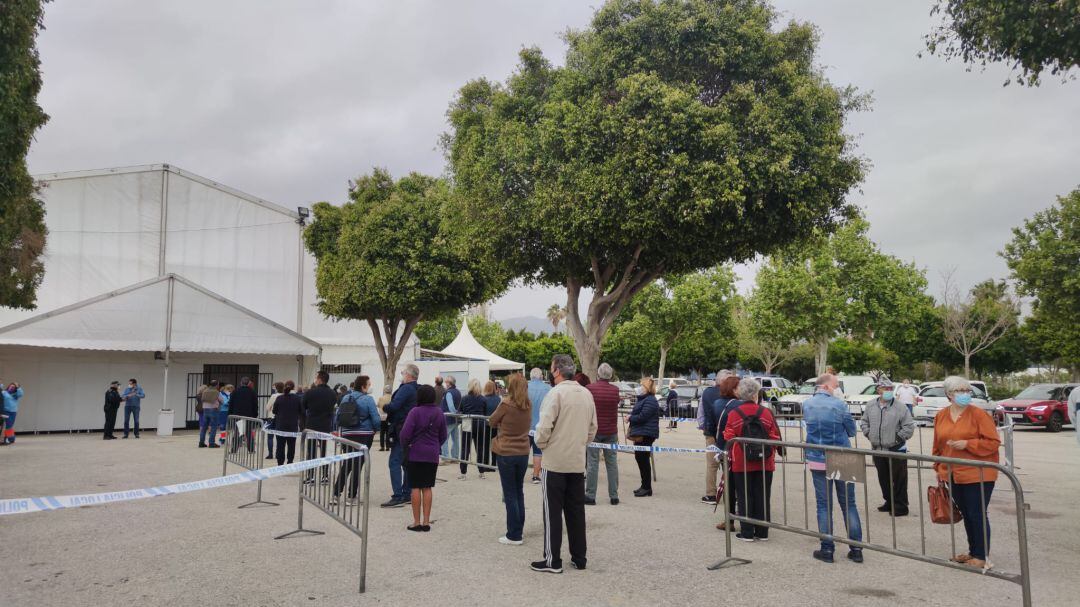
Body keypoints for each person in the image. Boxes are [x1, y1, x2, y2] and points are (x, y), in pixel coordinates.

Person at [531, 354, 597, 574]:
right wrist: (580, 443)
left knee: (552, 512)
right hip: (577, 461)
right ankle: (579, 557)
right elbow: (592, 428)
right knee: (576, 512)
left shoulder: (556, 393)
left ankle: (552, 559)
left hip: (556, 461)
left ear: (557, 371)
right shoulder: (586, 394)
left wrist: (543, 444)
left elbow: (544, 427)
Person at [932, 375, 1001, 569]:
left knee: (976, 513)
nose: (964, 394)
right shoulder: (942, 415)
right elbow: (937, 444)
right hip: (952, 473)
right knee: (966, 513)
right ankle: (973, 551)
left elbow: (993, 442)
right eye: (959, 391)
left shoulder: (979, 415)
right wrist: (937, 466)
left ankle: (981, 555)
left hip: (978, 474)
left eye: (967, 391)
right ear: (949, 394)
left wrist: (968, 444)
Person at [803, 373, 863, 563]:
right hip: (843, 455)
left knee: (823, 505)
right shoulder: (839, 405)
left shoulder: (807, 404)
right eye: (836, 385)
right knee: (849, 504)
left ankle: (827, 549)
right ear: (827, 386)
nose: (838, 388)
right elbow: (852, 430)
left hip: (817, 455)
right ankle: (856, 549)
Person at [722, 378, 781, 542]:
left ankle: (747, 532)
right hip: (765, 462)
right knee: (763, 496)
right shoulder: (767, 413)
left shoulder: (734, 413)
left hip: (741, 462)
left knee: (744, 496)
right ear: (756, 394)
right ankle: (762, 532)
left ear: (740, 394)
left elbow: (728, 435)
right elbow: (774, 436)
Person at [860, 378, 916, 517]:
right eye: (885, 389)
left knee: (899, 479)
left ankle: (901, 506)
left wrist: (896, 439)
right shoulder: (871, 405)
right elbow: (864, 422)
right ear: (878, 390)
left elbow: (908, 427)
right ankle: (889, 502)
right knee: (883, 478)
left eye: (891, 389)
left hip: (896, 449)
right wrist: (869, 434)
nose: (888, 392)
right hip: (877, 448)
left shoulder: (900, 407)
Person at [489, 373, 532, 544]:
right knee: (518, 491)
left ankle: (514, 534)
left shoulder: (506, 404)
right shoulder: (528, 405)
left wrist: (501, 423)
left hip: (506, 451)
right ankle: (518, 528)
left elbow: (492, 421)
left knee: (510, 494)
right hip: (522, 451)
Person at [398, 384, 448, 532]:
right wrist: (434, 444)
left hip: (415, 452)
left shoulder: (415, 412)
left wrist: (406, 445)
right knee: (427, 487)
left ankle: (416, 522)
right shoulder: (439, 412)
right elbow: (443, 435)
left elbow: (405, 434)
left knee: (415, 487)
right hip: (432, 454)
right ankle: (426, 521)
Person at [332, 375, 382, 506]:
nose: (370, 386)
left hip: (347, 434)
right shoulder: (368, 399)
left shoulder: (345, 398)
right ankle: (351, 497)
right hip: (364, 434)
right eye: (369, 384)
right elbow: (375, 418)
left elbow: (338, 416)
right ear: (363, 386)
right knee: (358, 465)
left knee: (347, 464)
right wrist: (377, 429)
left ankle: (335, 495)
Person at [382, 364, 419, 508]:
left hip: (400, 429)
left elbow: (394, 406)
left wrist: (384, 406)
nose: (402, 375)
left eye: (403, 372)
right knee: (406, 462)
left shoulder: (406, 389)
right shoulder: (417, 388)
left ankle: (398, 495)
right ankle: (407, 492)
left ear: (408, 375)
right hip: (411, 429)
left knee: (395, 462)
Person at [584, 363, 620, 506]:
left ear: (598, 374)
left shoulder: (589, 389)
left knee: (592, 463)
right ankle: (614, 496)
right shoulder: (615, 390)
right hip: (611, 431)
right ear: (610, 375)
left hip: (594, 431)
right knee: (612, 463)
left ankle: (591, 495)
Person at [713, 375, 743, 529]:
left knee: (728, 485)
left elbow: (712, 426)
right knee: (743, 485)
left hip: (723, 447)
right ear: (734, 389)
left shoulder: (717, 403)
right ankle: (746, 520)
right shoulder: (739, 405)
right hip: (739, 448)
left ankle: (729, 520)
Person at [302, 371, 337, 485]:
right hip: (325, 425)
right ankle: (325, 476)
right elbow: (333, 405)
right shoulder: (332, 393)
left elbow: (304, 406)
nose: (315, 379)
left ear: (320, 379)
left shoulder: (310, 392)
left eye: (316, 377)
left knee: (311, 452)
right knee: (324, 452)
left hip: (312, 425)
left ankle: (311, 477)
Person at [627, 377, 661, 497]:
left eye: (642, 386)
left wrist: (630, 418)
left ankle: (647, 487)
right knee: (641, 459)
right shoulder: (644, 399)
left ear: (647, 388)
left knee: (643, 460)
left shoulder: (650, 400)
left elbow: (643, 416)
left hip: (646, 434)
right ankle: (644, 486)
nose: (639, 388)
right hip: (642, 432)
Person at [699, 371, 726, 504]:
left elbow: (700, 414)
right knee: (729, 465)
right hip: (728, 435)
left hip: (710, 434)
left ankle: (711, 494)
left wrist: (703, 427)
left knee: (711, 465)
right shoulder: (731, 395)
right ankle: (733, 494)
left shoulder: (706, 393)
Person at [458, 378, 489, 479]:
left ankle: (463, 473)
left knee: (465, 448)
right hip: (480, 424)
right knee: (480, 448)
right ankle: (481, 472)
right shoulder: (483, 399)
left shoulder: (464, 398)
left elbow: (460, 411)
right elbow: (485, 413)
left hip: (468, 424)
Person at [527, 368, 552, 484]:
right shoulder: (548, 389)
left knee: (523, 451)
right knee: (538, 452)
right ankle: (536, 476)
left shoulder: (525, 387)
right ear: (541, 376)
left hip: (526, 425)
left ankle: (520, 474)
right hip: (541, 425)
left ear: (531, 376)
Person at [272, 380, 302, 465]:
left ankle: (280, 463)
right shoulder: (297, 398)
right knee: (291, 446)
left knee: (280, 446)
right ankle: (290, 462)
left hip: (280, 426)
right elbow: (301, 411)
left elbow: (274, 411)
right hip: (292, 426)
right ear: (294, 387)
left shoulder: (279, 398)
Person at [229, 377, 260, 452]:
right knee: (249, 432)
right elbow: (255, 405)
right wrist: (255, 414)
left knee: (238, 432)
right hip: (249, 415)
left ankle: (234, 449)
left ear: (241, 383)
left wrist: (230, 413)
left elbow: (231, 403)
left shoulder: (235, 391)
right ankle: (251, 449)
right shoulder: (252, 392)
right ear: (249, 383)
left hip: (238, 415)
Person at [440, 375, 462, 461]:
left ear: (449, 383)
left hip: (448, 419)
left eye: (446, 382)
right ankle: (455, 457)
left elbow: (451, 407)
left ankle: (445, 457)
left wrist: (454, 413)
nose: (445, 384)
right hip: (456, 419)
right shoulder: (458, 392)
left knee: (444, 439)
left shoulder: (448, 393)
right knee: (455, 439)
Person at [197, 381, 223, 448]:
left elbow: (202, 399)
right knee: (213, 427)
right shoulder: (217, 392)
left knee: (204, 428)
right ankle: (211, 443)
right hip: (214, 410)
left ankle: (201, 443)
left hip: (205, 410)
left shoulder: (205, 391)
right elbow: (222, 400)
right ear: (216, 385)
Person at [483, 380, 502, 468]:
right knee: (495, 445)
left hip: (486, 425)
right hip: (496, 425)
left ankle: (486, 464)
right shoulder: (498, 399)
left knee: (486, 445)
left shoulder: (484, 399)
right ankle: (494, 463)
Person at [264, 382, 284, 459]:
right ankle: (278, 453)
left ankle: (270, 454)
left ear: (276, 388)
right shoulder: (285, 395)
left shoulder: (274, 396)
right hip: (281, 418)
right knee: (279, 436)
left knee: (270, 437)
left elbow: (267, 407)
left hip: (272, 417)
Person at [377, 385, 392, 451]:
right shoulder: (393, 397)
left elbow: (378, 405)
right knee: (388, 432)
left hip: (382, 417)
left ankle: (382, 447)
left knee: (382, 433)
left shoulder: (381, 398)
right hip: (390, 417)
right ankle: (388, 446)